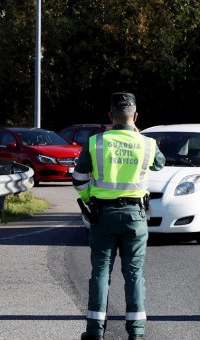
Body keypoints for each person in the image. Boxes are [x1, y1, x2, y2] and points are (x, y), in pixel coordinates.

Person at [73, 92, 165, 340]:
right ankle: (136, 332)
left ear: (109, 116)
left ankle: (94, 331)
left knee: (100, 272)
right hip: (135, 215)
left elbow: (79, 178)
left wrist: (89, 200)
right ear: (135, 116)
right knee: (134, 274)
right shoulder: (146, 143)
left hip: (102, 215)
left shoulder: (96, 142)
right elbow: (160, 164)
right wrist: (138, 133)